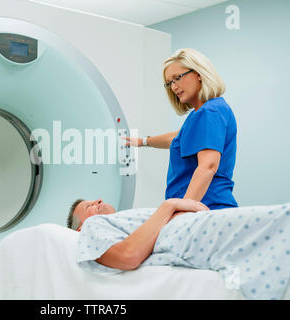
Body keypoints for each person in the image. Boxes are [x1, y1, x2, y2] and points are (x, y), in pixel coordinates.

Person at [125, 48, 238, 210]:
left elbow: (208, 166)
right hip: (200, 206)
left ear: (199, 74)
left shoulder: (210, 112)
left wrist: (182, 211)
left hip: (205, 207)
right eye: (169, 83)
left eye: (177, 78)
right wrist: (143, 141)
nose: (174, 87)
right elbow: (178, 138)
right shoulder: (203, 114)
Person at [67, 198, 208, 270]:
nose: (98, 200)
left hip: (201, 225)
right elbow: (129, 255)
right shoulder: (91, 227)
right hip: (201, 234)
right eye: (89, 206)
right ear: (81, 229)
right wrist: (170, 205)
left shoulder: (124, 222)